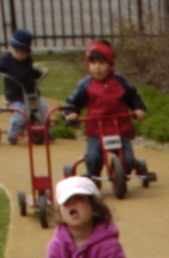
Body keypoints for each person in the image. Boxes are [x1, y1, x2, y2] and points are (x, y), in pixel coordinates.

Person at [60, 40, 152, 187]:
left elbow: (133, 96)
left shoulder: (119, 81)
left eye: (102, 63)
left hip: (119, 128)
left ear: (110, 65)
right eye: (93, 63)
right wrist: (70, 113)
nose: (97, 67)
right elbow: (73, 102)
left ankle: (123, 172)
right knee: (94, 158)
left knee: (127, 160)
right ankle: (94, 179)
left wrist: (138, 109)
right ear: (88, 65)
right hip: (97, 130)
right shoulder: (86, 85)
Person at [0, 27, 46, 144]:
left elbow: (30, 71)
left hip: (31, 93)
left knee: (42, 107)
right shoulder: (6, 59)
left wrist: (40, 74)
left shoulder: (27, 61)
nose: (20, 55)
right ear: (10, 47)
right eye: (17, 52)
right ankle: (13, 133)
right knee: (21, 114)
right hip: (15, 95)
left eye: (23, 53)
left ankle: (44, 130)